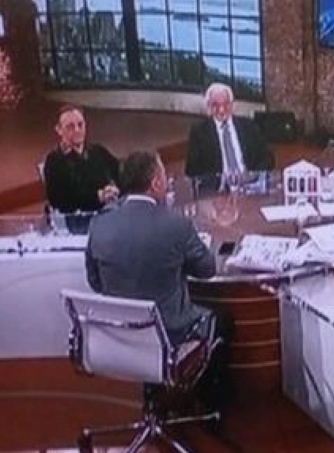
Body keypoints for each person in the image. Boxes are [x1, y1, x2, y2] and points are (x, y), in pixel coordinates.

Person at [86, 151, 228, 411]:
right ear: (155, 184)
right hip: (169, 333)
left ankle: (157, 400)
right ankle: (207, 407)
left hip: (116, 336)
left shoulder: (99, 224)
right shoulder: (176, 225)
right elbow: (207, 269)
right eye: (164, 175)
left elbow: (95, 282)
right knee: (220, 320)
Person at [184, 83, 274, 179]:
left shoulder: (248, 126)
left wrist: (253, 176)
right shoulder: (199, 132)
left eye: (225, 104)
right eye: (215, 105)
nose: (221, 110)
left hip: (249, 182)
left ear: (232, 104)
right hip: (219, 185)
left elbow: (267, 157)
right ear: (208, 106)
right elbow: (192, 170)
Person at [43, 105, 120, 217]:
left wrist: (114, 190)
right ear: (59, 130)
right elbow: (59, 201)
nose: (77, 130)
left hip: (106, 216)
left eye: (80, 124)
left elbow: (121, 173)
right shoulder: (53, 161)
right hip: (74, 222)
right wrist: (98, 196)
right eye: (70, 126)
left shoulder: (98, 151)